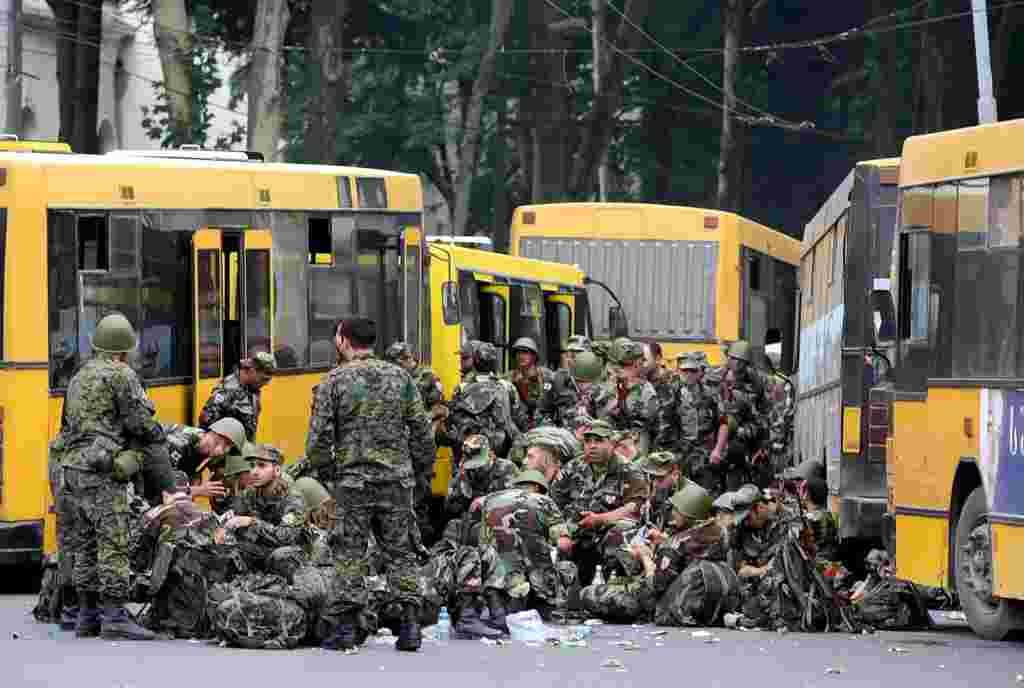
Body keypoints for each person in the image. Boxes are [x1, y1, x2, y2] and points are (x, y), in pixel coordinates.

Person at [306, 317, 435, 652]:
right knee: (401, 552)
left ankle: (346, 629)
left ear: (343, 340)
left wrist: (330, 472)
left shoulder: (333, 380)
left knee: (349, 554)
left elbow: (318, 440)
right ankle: (409, 627)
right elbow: (421, 430)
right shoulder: (401, 377)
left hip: (353, 482)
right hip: (397, 481)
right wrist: (419, 473)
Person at [58, 313, 167, 640]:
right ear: (124, 350)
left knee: (86, 544)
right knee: (113, 541)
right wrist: (156, 435)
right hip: (103, 470)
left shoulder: (79, 376)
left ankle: (87, 616)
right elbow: (140, 423)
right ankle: (115, 615)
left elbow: (67, 422)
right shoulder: (122, 375)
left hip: (72, 468)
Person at [198, 352, 276, 440]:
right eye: (264, 379)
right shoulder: (228, 390)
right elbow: (205, 421)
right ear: (252, 370)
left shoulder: (252, 389)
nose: (267, 383)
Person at [444, 434, 518, 517]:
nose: (476, 469)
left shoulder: (507, 469)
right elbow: (449, 509)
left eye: (479, 465)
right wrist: (462, 493)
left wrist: (483, 500)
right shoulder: (465, 472)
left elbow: (516, 504)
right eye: (472, 466)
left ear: (491, 455)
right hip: (473, 521)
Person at [505, 337, 554, 431]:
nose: (521, 356)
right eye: (518, 353)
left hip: (544, 426)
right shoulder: (509, 377)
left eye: (525, 352)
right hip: (518, 427)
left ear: (534, 356)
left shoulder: (547, 376)